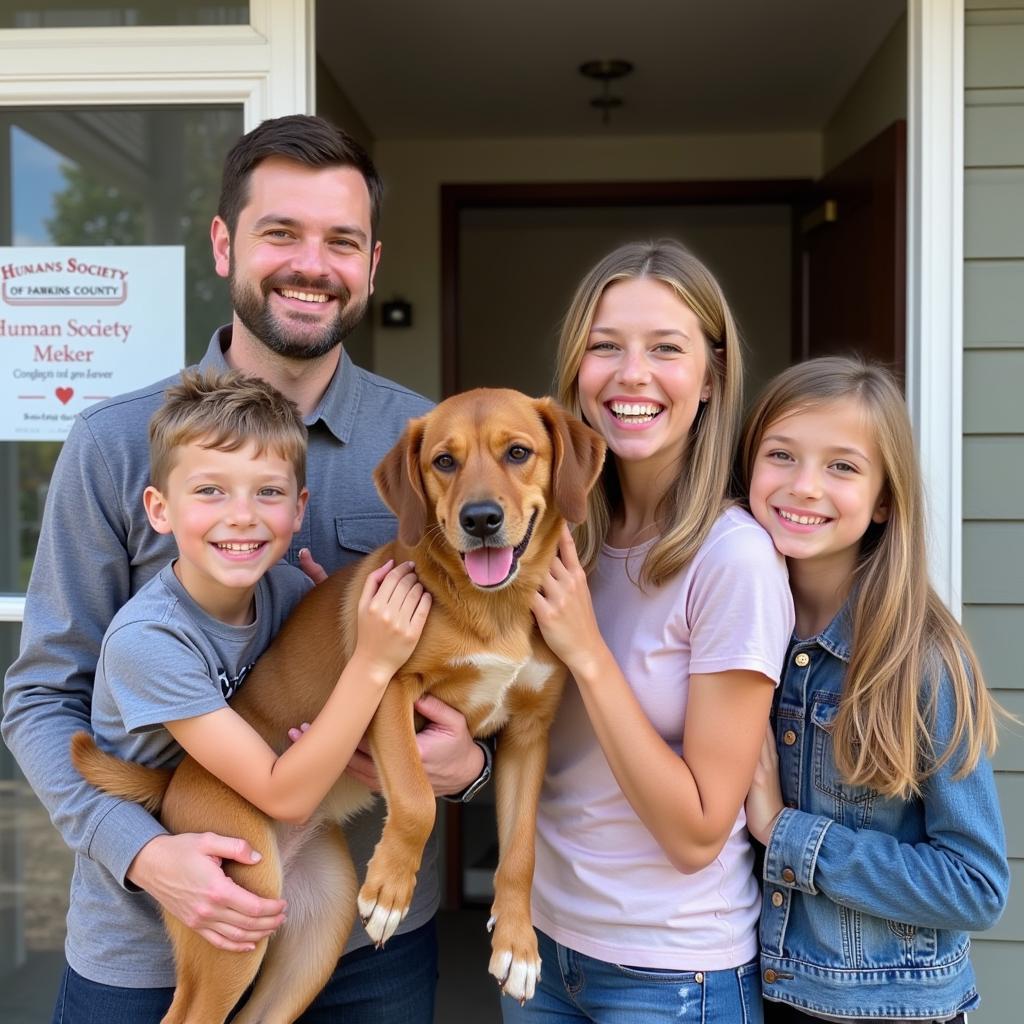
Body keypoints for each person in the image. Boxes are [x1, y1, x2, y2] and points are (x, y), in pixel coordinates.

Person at [2, 114, 489, 1022]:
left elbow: (489, 652)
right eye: (281, 233)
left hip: (362, 939)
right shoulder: (115, 443)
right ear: (225, 242)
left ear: (372, 264)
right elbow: (40, 698)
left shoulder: (435, 444)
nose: (313, 263)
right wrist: (141, 854)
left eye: (341, 241)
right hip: (151, 937)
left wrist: (470, 767)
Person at [76, 367, 430, 1014]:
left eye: (267, 493)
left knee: (314, 941)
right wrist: (371, 663)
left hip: (300, 812)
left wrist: (334, 615)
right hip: (215, 814)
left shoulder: (290, 592)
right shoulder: (148, 642)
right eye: (210, 491)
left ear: (299, 511)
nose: (241, 517)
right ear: (159, 508)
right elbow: (285, 794)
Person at [503, 240, 794, 1023]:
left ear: (711, 379)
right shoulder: (555, 538)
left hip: (672, 980)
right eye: (606, 347)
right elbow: (518, 722)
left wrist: (587, 651)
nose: (632, 373)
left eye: (666, 348)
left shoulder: (734, 561)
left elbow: (699, 833)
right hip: (539, 956)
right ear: (577, 372)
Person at [740, 357, 1010, 1023]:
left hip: (887, 1008)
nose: (804, 486)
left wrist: (784, 831)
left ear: (886, 498)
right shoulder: (738, 634)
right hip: (755, 991)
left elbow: (975, 886)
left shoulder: (922, 661)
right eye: (781, 455)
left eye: (842, 466)